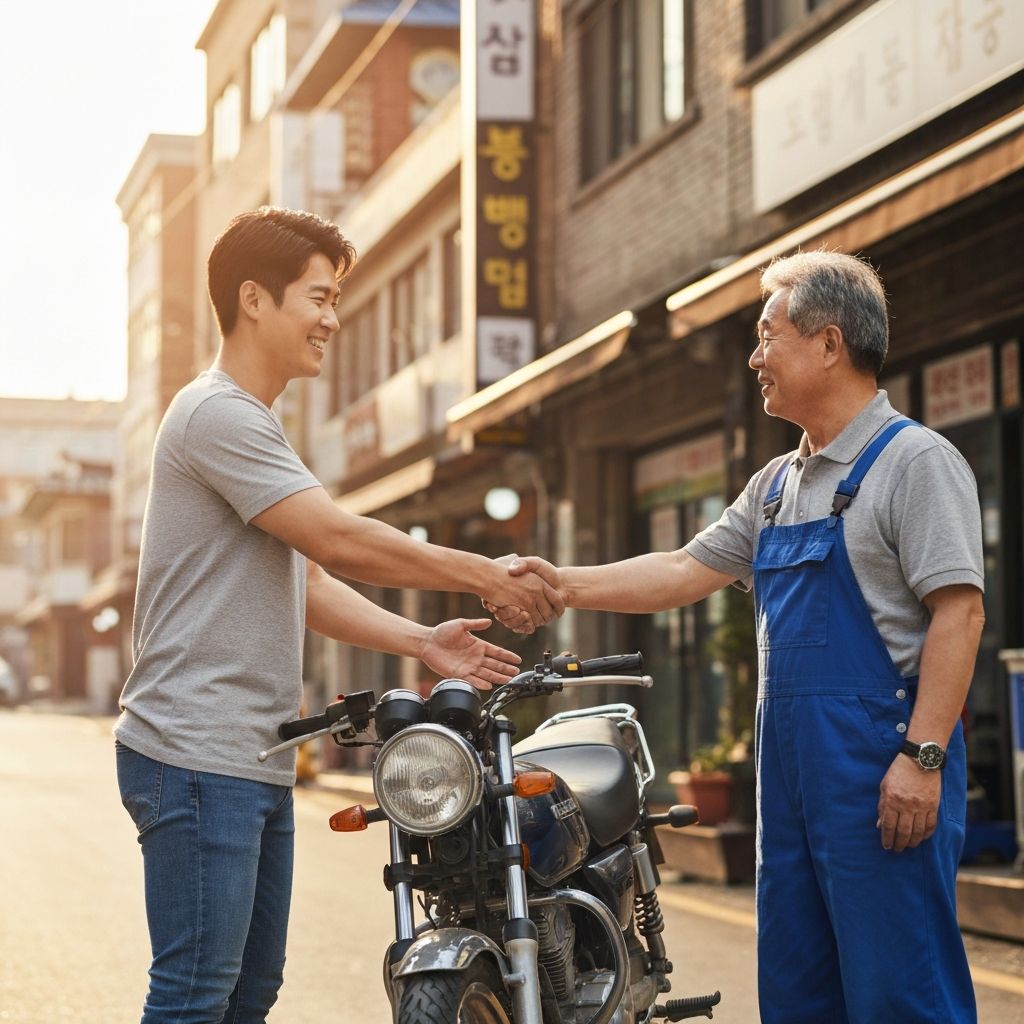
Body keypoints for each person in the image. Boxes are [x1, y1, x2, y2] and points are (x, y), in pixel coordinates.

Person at [492, 250, 984, 1023]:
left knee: (899, 988)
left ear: (829, 343)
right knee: (796, 986)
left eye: (767, 335)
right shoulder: (777, 485)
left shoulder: (916, 462)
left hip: (879, 769)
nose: (755, 358)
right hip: (789, 779)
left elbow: (961, 613)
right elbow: (683, 570)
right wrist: (558, 582)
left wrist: (922, 759)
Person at [114, 206, 563, 1024]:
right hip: (195, 751)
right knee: (194, 996)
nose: (332, 317)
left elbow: (307, 578)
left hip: (244, 755)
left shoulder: (253, 422)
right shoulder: (218, 413)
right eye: (317, 297)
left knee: (249, 992)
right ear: (254, 299)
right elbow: (338, 538)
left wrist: (421, 639)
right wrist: (482, 575)